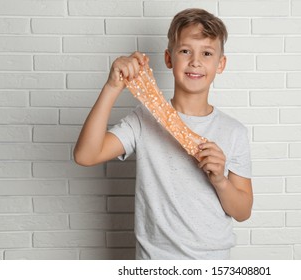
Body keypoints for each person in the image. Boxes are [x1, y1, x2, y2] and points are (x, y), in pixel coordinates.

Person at [74, 8, 253, 260]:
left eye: (207, 53)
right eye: (185, 51)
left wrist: (220, 180)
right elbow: (85, 155)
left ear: (220, 64)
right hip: (155, 262)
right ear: (169, 59)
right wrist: (113, 87)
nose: (195, 61)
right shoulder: (143, 120)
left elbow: (243, 211)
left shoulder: (234, 131)